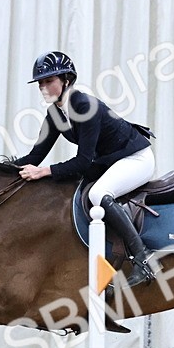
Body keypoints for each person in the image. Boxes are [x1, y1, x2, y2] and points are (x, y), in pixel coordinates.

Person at [14, 51, 156, 287]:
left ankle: (144, 258)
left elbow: (82, 162)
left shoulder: (84, 105)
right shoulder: (55, 114)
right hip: (111, 161)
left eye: (49, 81)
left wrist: (43, 171)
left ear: (66, 80)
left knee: (98, 194)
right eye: (40, 83)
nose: (43, 87)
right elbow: (35, 156)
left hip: (136, 158)